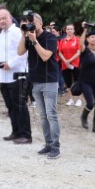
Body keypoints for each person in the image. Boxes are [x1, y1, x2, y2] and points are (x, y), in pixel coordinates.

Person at [18, 11, 61, 159]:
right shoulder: (29, 36)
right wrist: (24, 35)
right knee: (43, 116)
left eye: (33, 21)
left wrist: (34, 40)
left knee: (51, 114)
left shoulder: (50, 37)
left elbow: (45, 56)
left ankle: (56, 147)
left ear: (41, 23)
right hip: (35, 81)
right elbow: (20, 52)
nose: (31, 23)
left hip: (49, 81)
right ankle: (48, 144)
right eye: (28, 21)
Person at [0, 6, 31, 144]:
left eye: (4, 18)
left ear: (10, 17)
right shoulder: (2, 35)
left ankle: (26, 135)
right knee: (11, 106)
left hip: (17, 75)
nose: (2, 21)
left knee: (20, 105)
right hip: (4, 77)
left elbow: (24, 53)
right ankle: (16, 131)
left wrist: (10, 64)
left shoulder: (18, 33)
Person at [77, 22, 95, 134]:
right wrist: (85, 30)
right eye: (92, 37)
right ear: (88, 39)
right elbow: (80, 43)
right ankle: (84, 117)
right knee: (90, 104)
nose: (94, 39)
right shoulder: (85, 51)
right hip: (85, 82)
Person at [58, 23, 82, 106]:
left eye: (71, 29)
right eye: (68, 29)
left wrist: (69, 60)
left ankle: (79, 99)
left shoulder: (77, 40)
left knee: (77, 81)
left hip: (75, 64)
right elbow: (60, 52)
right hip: (65, 64)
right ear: (65, 30)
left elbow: (78, 52)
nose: (69, 30)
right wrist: (65, 60)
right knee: (68, 82)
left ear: (74, 30)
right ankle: (70, 99)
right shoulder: (62, 41)